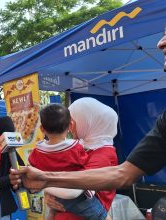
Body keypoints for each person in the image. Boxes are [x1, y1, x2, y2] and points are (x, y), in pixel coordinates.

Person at [9, 35, 166, 192]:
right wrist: (46, 180)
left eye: (73, 122)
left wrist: (48, 183)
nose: (160, 43)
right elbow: (123, 174)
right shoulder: (82, 147)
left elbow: (90, 190)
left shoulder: (100, 152)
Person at [28, 103, 109, 220]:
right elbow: (85, 164)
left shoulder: (37, 152)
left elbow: (33, 169)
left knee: (52, 212)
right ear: (70, 125)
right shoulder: (75, 147)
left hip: (55, 196)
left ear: (42, 129)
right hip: (77, 197)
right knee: (101, 215)